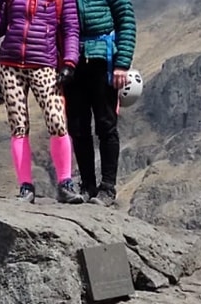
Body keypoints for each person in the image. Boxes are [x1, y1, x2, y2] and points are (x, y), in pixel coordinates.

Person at [0, 0, 85, 204]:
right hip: (10, 64)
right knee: (18, 125)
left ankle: (65, 183)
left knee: (57, 122)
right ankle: (25, 187)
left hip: (45, 64)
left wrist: (69, 62)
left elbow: (71, 28)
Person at [66, 0, 136, 206]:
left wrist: (122, 64)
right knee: (78, 127)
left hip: (103, 61)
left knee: (106, 125)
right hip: (73, 62)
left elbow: (126, 20)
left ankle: (107, 188)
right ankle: (87, 186)